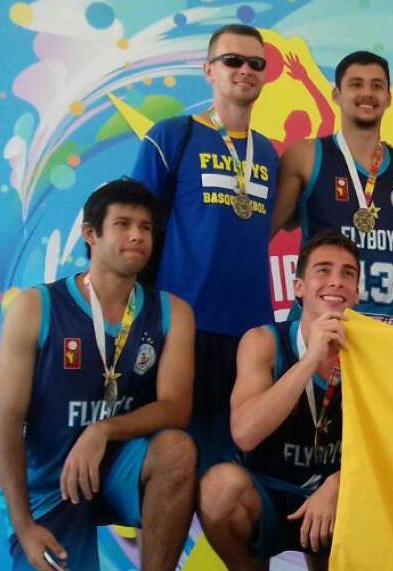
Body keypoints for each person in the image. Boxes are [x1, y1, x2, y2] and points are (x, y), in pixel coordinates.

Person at [0, 180, 196, 571]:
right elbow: (6, 424)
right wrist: (24, 526)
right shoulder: (34, 307)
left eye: (145, 227)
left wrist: (103, 430)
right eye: (122, 225)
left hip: (122, 469)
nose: (136, 237)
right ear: (90, 234)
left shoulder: (171, 313)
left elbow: (175, 408)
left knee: (176, 450)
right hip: (54, 484)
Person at [130, 24, 279, 471]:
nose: (245, 71)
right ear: (209, 70)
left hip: (248, 338)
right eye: (233, 60)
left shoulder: (269, 153)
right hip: (180, 331)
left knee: (231, 475)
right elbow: (135, 228)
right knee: (168, 469)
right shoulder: (173, 136)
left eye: (256, 63)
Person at [197, 233, 358, 571]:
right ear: (299, 286)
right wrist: (309, 361)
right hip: (268, 499)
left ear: (357, 291)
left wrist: (338, 483)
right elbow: (245, 433)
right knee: (218, 487)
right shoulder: (264, 341)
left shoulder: (374, 351)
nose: (336, 282)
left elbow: (390, 448)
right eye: (323, 271)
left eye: (348, 274)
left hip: (338, 500)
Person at [272, 50, 393, 329]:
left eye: (377, 85)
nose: (367, 93)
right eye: (356, 84)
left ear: (389, 97)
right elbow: (261, 235)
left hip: (387, 329)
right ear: (336, 95)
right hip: (320, 324)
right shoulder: (306, 156)